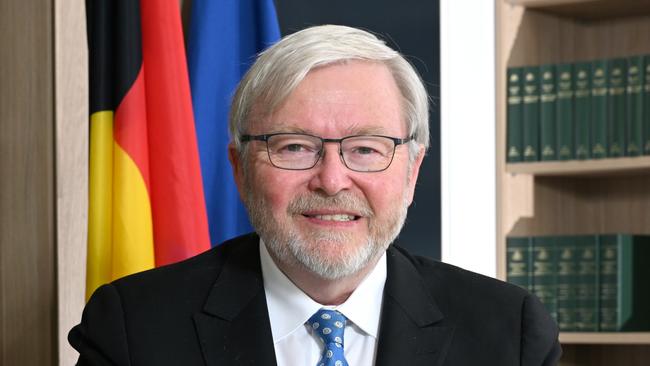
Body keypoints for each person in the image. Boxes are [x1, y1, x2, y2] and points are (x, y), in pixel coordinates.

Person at [69, 25, 561, 366]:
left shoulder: (508, 332)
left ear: (412, 171)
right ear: (240, 170)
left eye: (366, 148)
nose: (332, 180)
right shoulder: (135, 327)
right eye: (295, 147)